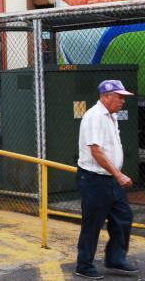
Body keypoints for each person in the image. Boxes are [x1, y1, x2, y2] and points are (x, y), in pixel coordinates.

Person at [74, 79, 138, 279]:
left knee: (123, 217)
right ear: (106, 96)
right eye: (119, 97)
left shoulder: (111, 116)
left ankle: (115, 258)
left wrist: (115, 175)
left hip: (109, 179)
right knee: (93, 223)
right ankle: (84, 266)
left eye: (123, 97)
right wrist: (118, 174)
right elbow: (96, 151)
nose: (122, 101)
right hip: (95, 179)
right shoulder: (95, 116)